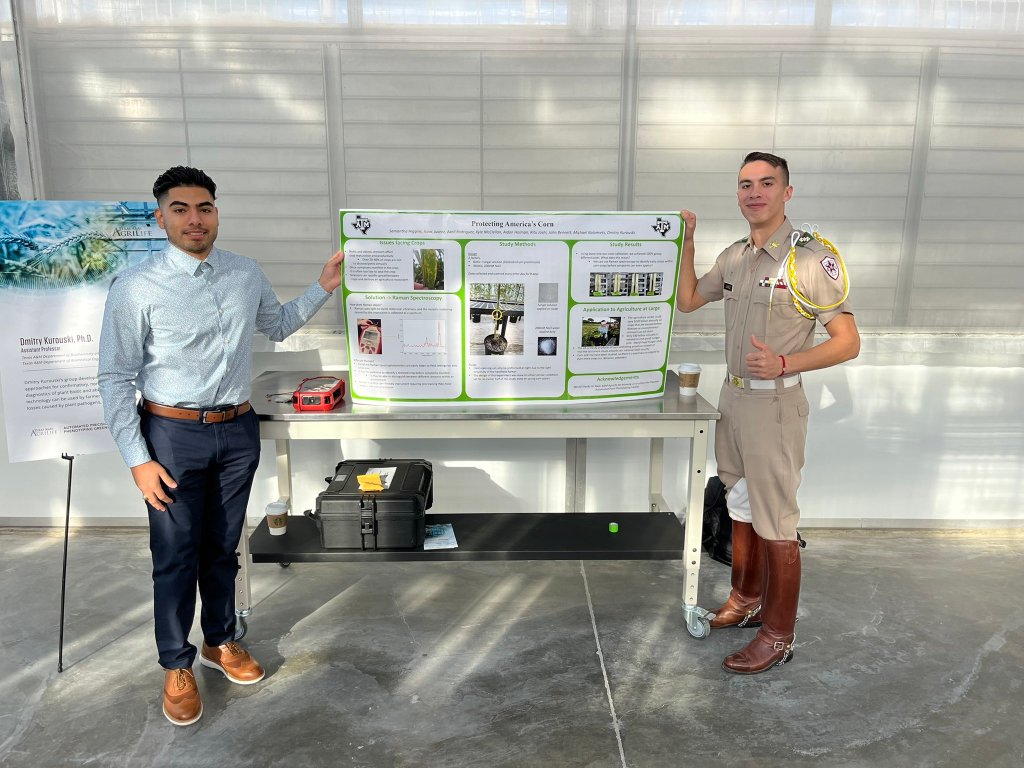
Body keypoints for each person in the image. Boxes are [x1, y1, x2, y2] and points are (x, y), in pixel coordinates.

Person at [97, 166, 344, 724]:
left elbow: (277, 325)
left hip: (237, 431)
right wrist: (138, 460)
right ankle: (175, 663)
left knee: (223, 547)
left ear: (216, 213)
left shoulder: (244, 272)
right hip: (171, 435)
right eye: (180, 209)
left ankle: (219, 639)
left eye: (204, 208)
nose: (195, 219)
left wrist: (322, 286)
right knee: (175, 555)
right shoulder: (136, 286)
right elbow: (114, 377)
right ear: (160, 217)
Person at [676, 151, 860, 675]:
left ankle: (778, 635)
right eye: (745, 184)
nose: (754, 193)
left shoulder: (809, 260)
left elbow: (848, 342)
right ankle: (745, 598)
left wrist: (785, 362)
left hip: (775, 403)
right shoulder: (735, 257)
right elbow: (687, 300)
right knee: (739, 502)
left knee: (776, 518)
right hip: (733, 398)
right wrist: (687, 243)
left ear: (787, 192)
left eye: (766, 183)